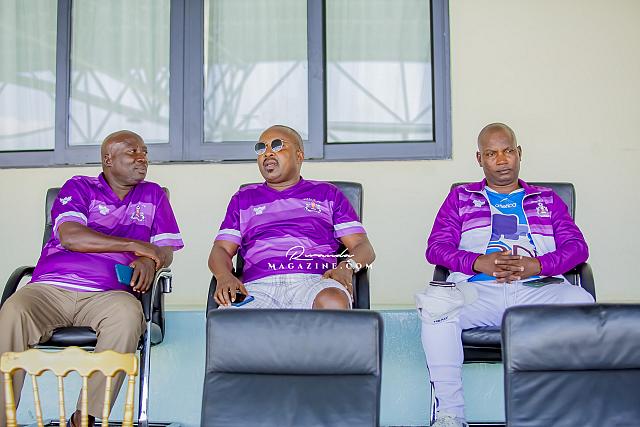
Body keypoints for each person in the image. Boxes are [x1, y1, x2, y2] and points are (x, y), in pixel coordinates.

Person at [0, 130, 183, 427]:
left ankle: (83, 418)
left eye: (145, 152)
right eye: (133, 152)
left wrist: (151, 260)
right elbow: (71, 236)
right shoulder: (80, 187)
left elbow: (165, 249)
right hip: (51, 289)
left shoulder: (154, 195)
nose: (142, 158)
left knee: (127, 316)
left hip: (109, 295)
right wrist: (134, 245)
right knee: (13, 310)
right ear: (108, 159)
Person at [416, 123, 594, 427]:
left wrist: (537, 265)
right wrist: (478, 262)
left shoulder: (547, 199)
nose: (501, 160)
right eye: (491, 153)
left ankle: (572, 411)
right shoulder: (461, 198)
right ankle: (450, 414)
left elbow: (577, 249)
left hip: (537, 288)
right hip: (480, 291)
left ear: (519, 153)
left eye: (508, 151)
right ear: (479, 159)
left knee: (583, 303)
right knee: (436, 309)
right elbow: (436, 248)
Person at [208, 125, 375, 309]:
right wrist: (224, 276)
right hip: (256, 286)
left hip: (315, 281)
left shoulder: (327, 194)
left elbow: (363, 246)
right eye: (261, 148)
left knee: (333, 301)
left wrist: (346, 267)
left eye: (277, 145)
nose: (267, 153)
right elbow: (221, 249)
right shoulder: (243, 198)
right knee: (229, 313)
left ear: (299, 155)